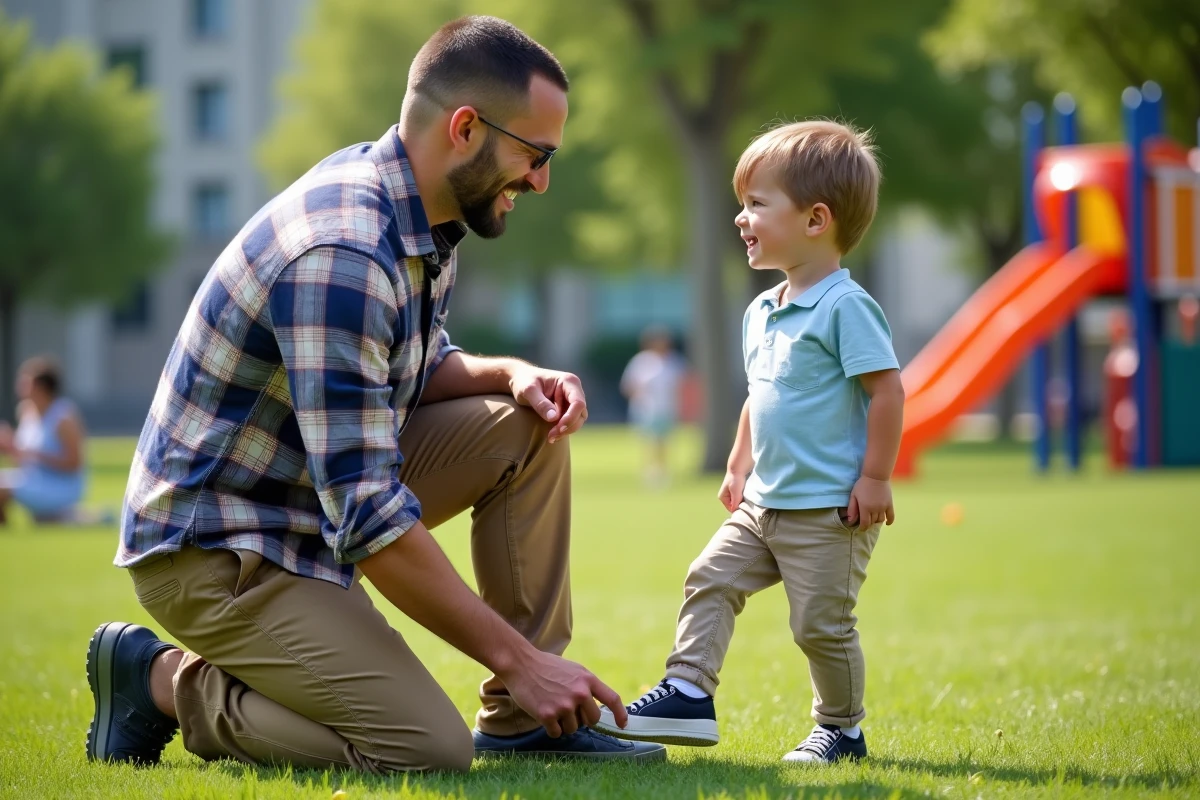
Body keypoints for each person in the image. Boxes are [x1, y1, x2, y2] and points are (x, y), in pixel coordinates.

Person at [85, 16, 662, 773]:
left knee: (526, 425)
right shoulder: (343, 250)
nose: (541, 180)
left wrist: (512, 375)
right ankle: (157, 681)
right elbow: (366, 511)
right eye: (536, 154)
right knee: (424, 748)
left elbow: (406, 365)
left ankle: (525, 723)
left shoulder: (421, 212)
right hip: (220, 547)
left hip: (303, 502)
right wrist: (519, 657)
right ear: (465, 128)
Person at [595, 120, 905, 764]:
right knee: (709, 578)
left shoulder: (845, 307)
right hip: (763, 504)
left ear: (815, 219)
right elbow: (759, 395)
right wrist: (739, 464)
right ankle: (688, 691)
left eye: (758, 203)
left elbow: (887, 392)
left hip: (827, 510)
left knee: (819, 627)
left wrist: (875, 477)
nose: (741, 218)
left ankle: (842, 729)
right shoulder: (761, 311)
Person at [0, 356, 86, 524]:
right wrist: (10, 447)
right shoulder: (25, 411)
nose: (19, 387)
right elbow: (22, 461)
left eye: (26, 383)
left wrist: (35, 455)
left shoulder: (63, 417)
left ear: (42, 388)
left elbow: (74, 464)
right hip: (32, 479)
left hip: (60, 486)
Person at [620, 327, 686, 487]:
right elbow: (628, 385)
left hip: (667, 409)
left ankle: (663, 472)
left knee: (664, 442)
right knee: (649, 442)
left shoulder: (674, 362)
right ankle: (649, 472)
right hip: (645, 409)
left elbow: (684, 386)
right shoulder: (640, 361)